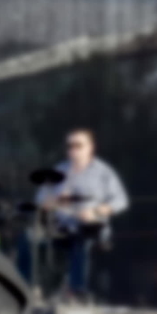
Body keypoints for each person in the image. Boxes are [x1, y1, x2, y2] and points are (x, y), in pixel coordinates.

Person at [34, 129, 129, 302]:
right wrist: (53, 201)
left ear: (90, 148)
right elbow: (41, 198)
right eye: (70, 146)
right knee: (33, 240)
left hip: (91, 226)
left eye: (78, 145)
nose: (73, 150)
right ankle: (37, 290)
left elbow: (121, 200)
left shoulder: (103, 172)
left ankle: (77, 292)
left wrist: (96, 211)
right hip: (63, 226)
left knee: (81, 239)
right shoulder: (60, 170)